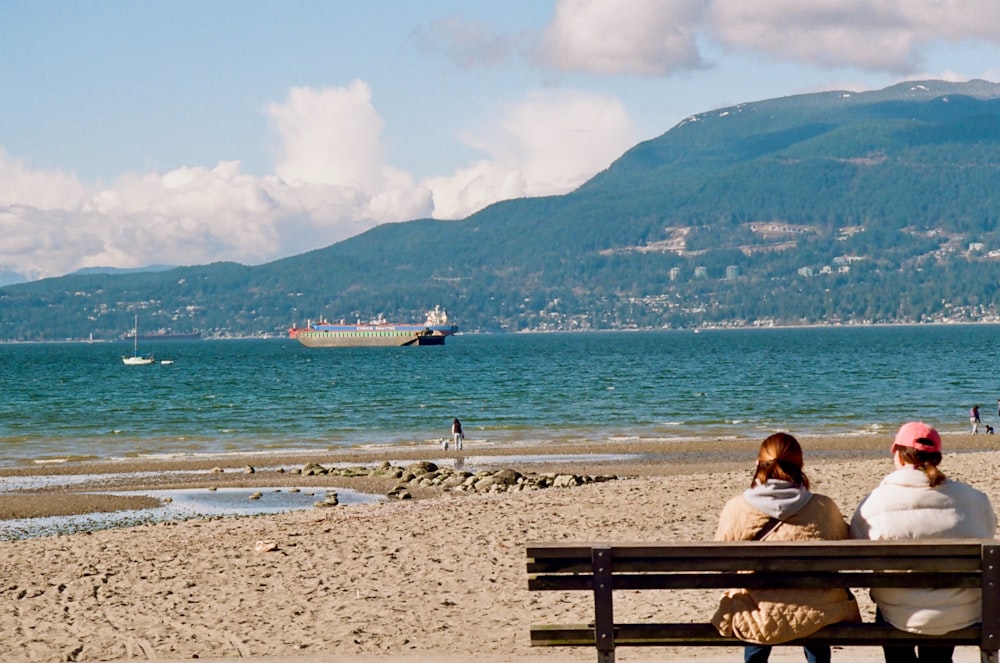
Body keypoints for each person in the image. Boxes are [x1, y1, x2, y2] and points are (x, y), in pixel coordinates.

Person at [850, 422, 997, 663]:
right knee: (942, 612)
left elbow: (857, 543)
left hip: (898, 615)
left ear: (897, 453)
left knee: (894, 601)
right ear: (937, 457)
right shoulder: (975, 499)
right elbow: (987, 531)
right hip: (958, 613)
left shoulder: (875, 502)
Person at [712, 432, 859, 663]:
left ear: (759, 465)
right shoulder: (822, 506)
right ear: (800, 465)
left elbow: (721, 561)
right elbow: (846, 544)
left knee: (753, 605)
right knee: (815, 605)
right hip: (817, 611)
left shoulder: (737, 508)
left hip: (756, 612)